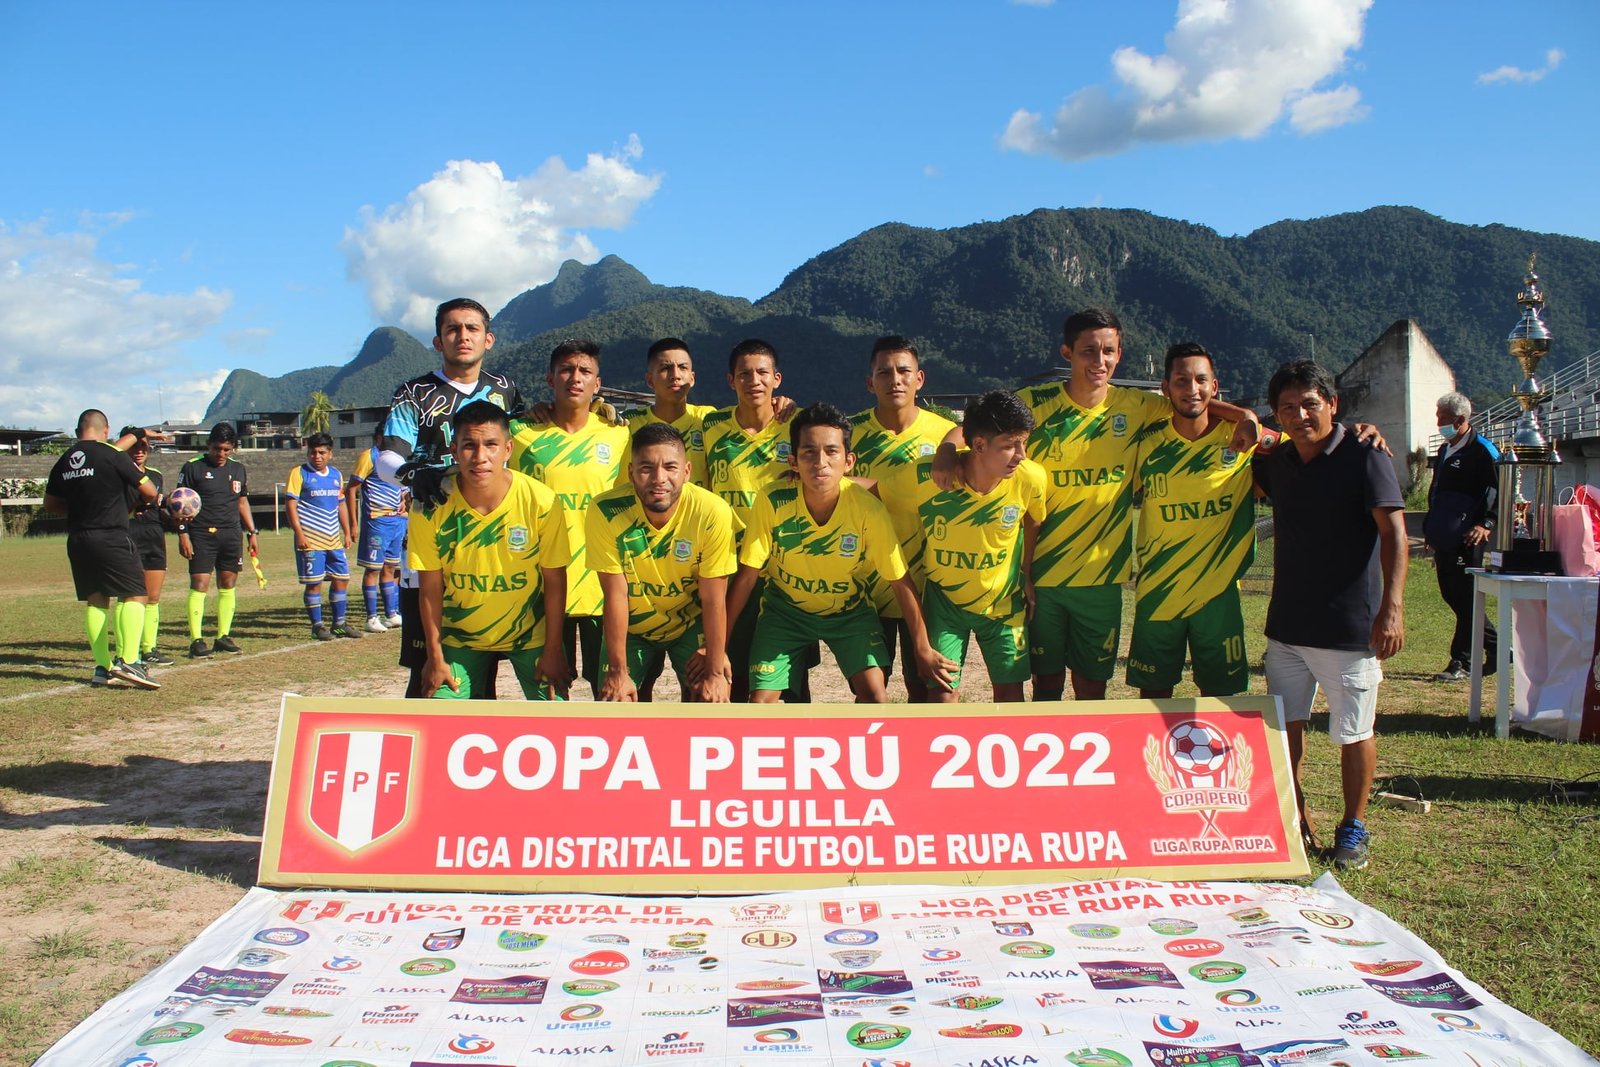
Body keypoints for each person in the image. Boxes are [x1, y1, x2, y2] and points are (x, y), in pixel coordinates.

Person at [935, 308, 1260, 702]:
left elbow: (1193, 404)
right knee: (1046, 685)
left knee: (1092, 688)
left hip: (1103, 576)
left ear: (1120, 354)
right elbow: (976, 422)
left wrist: (1244, 415)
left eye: (1109, 351)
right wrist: (947, 450)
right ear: (1067, 352)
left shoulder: (1136, 405)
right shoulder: (1036, 403)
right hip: (1044, 575)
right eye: (1089, 351)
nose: (1099, 361)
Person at [1254, 359, 1406, 871]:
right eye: (1287, 408)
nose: (1300, 416)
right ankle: (1293, 815)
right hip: (1288, 629)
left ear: (1333, 405)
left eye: (1310, 405)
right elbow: (1220, 418)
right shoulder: (1274, 459)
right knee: (1283, 730)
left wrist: (1392, 609)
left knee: (1354, 731)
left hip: (1350, 629)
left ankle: (1352, 827)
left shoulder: (1366, 454)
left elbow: (1394, 535)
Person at [726, 403, 955, 703]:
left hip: (849, 612)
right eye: (809, 452)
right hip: (786, 613)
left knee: (876, 698)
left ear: (849, 461)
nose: (820, 462)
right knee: (761, 703)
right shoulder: (772, 499)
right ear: (793, 461)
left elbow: (901, 583)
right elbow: (746, 578)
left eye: (831, 452)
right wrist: (717, 651)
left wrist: (922, 647)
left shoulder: (868, 508)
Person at [378, 297, 525, 697]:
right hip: (433, 541)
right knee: (428, 666)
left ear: (488, 339)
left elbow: (531, 438)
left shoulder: (505, 390)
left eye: (472, 328)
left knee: (483, 667)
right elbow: (387, 456)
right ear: (437, 340)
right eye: (453, 329)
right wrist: (413, 473)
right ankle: (421, 754)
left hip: (493, 547)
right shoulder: (414, 393)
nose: (463, 336)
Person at [880, 390, 1043, 702]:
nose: (1022, 454)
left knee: (1010, 696)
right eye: (1010, 445)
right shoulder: (927, 476)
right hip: (945, 603)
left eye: (1024, 443)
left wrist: (1025, 572)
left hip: (1003, 604)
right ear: (979, 445)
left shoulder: (1031, 479)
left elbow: (1034, 520)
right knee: (942, 695)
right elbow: (873, 493)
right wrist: (821, 483)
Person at [408, 401, 571, 700]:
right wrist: (435, 656)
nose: (480, 457)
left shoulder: (542, 501)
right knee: (439, 711)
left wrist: (552, 648)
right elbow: (429, 588)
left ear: (508, 450)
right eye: (469, 445)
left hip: (530, 635)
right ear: (454, 451)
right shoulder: (428, 507)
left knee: (554, 717)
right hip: (461, 637)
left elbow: (555, 581)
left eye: (491, 445)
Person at [1126, 343, 1261, 699]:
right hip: (1158, 592)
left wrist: (1361, 433)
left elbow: (1312, 442)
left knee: (1222, 698)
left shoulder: (1243, 439)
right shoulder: (1146, 443)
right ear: (1166, 387)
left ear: (1215, 386)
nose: (1192, 389)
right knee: (1153, 696)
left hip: (1217, 595)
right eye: (1181, 381)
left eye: (1201, 380)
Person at [509, 339, 628, 696]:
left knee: (609, 694)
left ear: (597, 384)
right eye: (566, 370)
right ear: (550, 379)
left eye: (584, 371)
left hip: (601, 586)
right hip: (543, 586)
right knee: (550, 693)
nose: (575, 378)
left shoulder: (619, 435)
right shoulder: (520, 435)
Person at [587, 423, 737, 701]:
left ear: (687, 472)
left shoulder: (712, 511)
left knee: (710, 700)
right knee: (615, 700)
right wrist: (618, 670)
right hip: (633, 627)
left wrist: (715, 672)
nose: (659, 478)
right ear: (631, 473)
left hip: (689, 624)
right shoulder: (604, 510)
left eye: (670, 467)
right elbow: (615, 595)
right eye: (646, 468)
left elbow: (713, 599)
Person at [702, 339, 814, 702]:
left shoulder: (798, 426)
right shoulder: (710, 425)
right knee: (730, 665)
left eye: (763, 373)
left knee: (789, 678)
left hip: (785, 566)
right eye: (744, 374)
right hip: (730, 566)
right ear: (730, 380)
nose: (754, 381)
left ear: (777, 379)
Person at [850, 335, 957, 703]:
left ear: (920, 379)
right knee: (870, 692)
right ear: (870, 382)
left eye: (903, 371)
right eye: (884, 372)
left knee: (927, 689)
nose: (894, 379)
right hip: (868, 583)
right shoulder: (850, 434)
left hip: (926, 583)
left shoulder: (943, 435)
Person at [43, 411, 161, 689]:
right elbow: (150, 491)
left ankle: (102, 668)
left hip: (78, 539)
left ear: (78, 430)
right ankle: (130, 661)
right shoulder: (111, 454)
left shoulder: (64, 460)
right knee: (135, 594)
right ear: (106, 430)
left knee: (96, 600)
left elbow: (50, 504)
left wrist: (81, 508)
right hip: (110, 535)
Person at [1425, 391, 1499, 682]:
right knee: (1451, 594)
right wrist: (1432, 526)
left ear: (1460, 420)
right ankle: (1497, 647)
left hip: (1469, 537)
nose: (1438, 423)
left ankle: (1462, 662)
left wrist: (1486, 524)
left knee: (1467, 597)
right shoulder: (1445, 450)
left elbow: (1499, 490)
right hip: (1444, 533)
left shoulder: (1483, 451)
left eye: (1443, 419)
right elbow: (1438, 492)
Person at [177, 422, 257, 658]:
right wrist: (183, 533)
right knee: (200, 584)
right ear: (208, 445)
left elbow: (242, 502)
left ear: (233, 448)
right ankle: (196, 640)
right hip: (201, 534)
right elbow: (179, 503)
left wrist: (253, 532)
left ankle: (223, 636)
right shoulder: (192, 468)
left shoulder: (239, 469)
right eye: (217, 448)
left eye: (226, 449)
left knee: (228, 583)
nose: (221, 454)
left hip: (231, 534)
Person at [286, 433, 360, 641]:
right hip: (310, 539)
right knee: (315, 583)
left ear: (330, 453)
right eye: (312, 452)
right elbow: (291, 505)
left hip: (332, 539)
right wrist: (299, 533)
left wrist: (346, 531)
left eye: (321, 452)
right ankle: (317, 626)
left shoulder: (335, 475)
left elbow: (341, 504)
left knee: (342, 579)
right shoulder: (299, 473)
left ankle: (339, 624)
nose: (316, 456)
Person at [617, 338, 719, 488]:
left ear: (692, 378)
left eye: (683, 368)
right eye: (665, 368)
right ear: (650, 380)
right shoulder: (628, 423)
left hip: (695, 511)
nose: (675, 375)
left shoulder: (706, 419)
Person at [346, 427, 407, 633]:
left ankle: (392, 614)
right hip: (377, 521)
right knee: (373, 568)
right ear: (380, 437)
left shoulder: (398, 458)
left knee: (392, 568)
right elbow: (352, 488)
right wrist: (354, 523)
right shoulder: (369, 456)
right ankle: (371, 617)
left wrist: (404, 503)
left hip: (397, 521)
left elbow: (404, 486)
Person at [125, 433, 176, 666]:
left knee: (153, 597)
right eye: (134, 446)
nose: (139, 451)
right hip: (128, 537)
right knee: (131, 597)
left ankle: (149, 648)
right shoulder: (119, 474)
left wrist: (177, 515)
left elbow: (158, 511)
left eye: (143, 447)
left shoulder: (155, 476)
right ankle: (128, 651)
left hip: (154, 538)